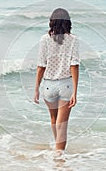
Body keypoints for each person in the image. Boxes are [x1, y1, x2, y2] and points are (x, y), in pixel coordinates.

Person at [34, 8, 80, 152]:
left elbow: (41, 65)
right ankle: (59, 157)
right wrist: (75, 92)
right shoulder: (73, 40)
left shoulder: (44, 39)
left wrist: (36, 88)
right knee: (63, 123)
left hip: (48, 85)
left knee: (54, 120)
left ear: (52, 22)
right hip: (65, 84)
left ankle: (57, 150)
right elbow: (74, 65)